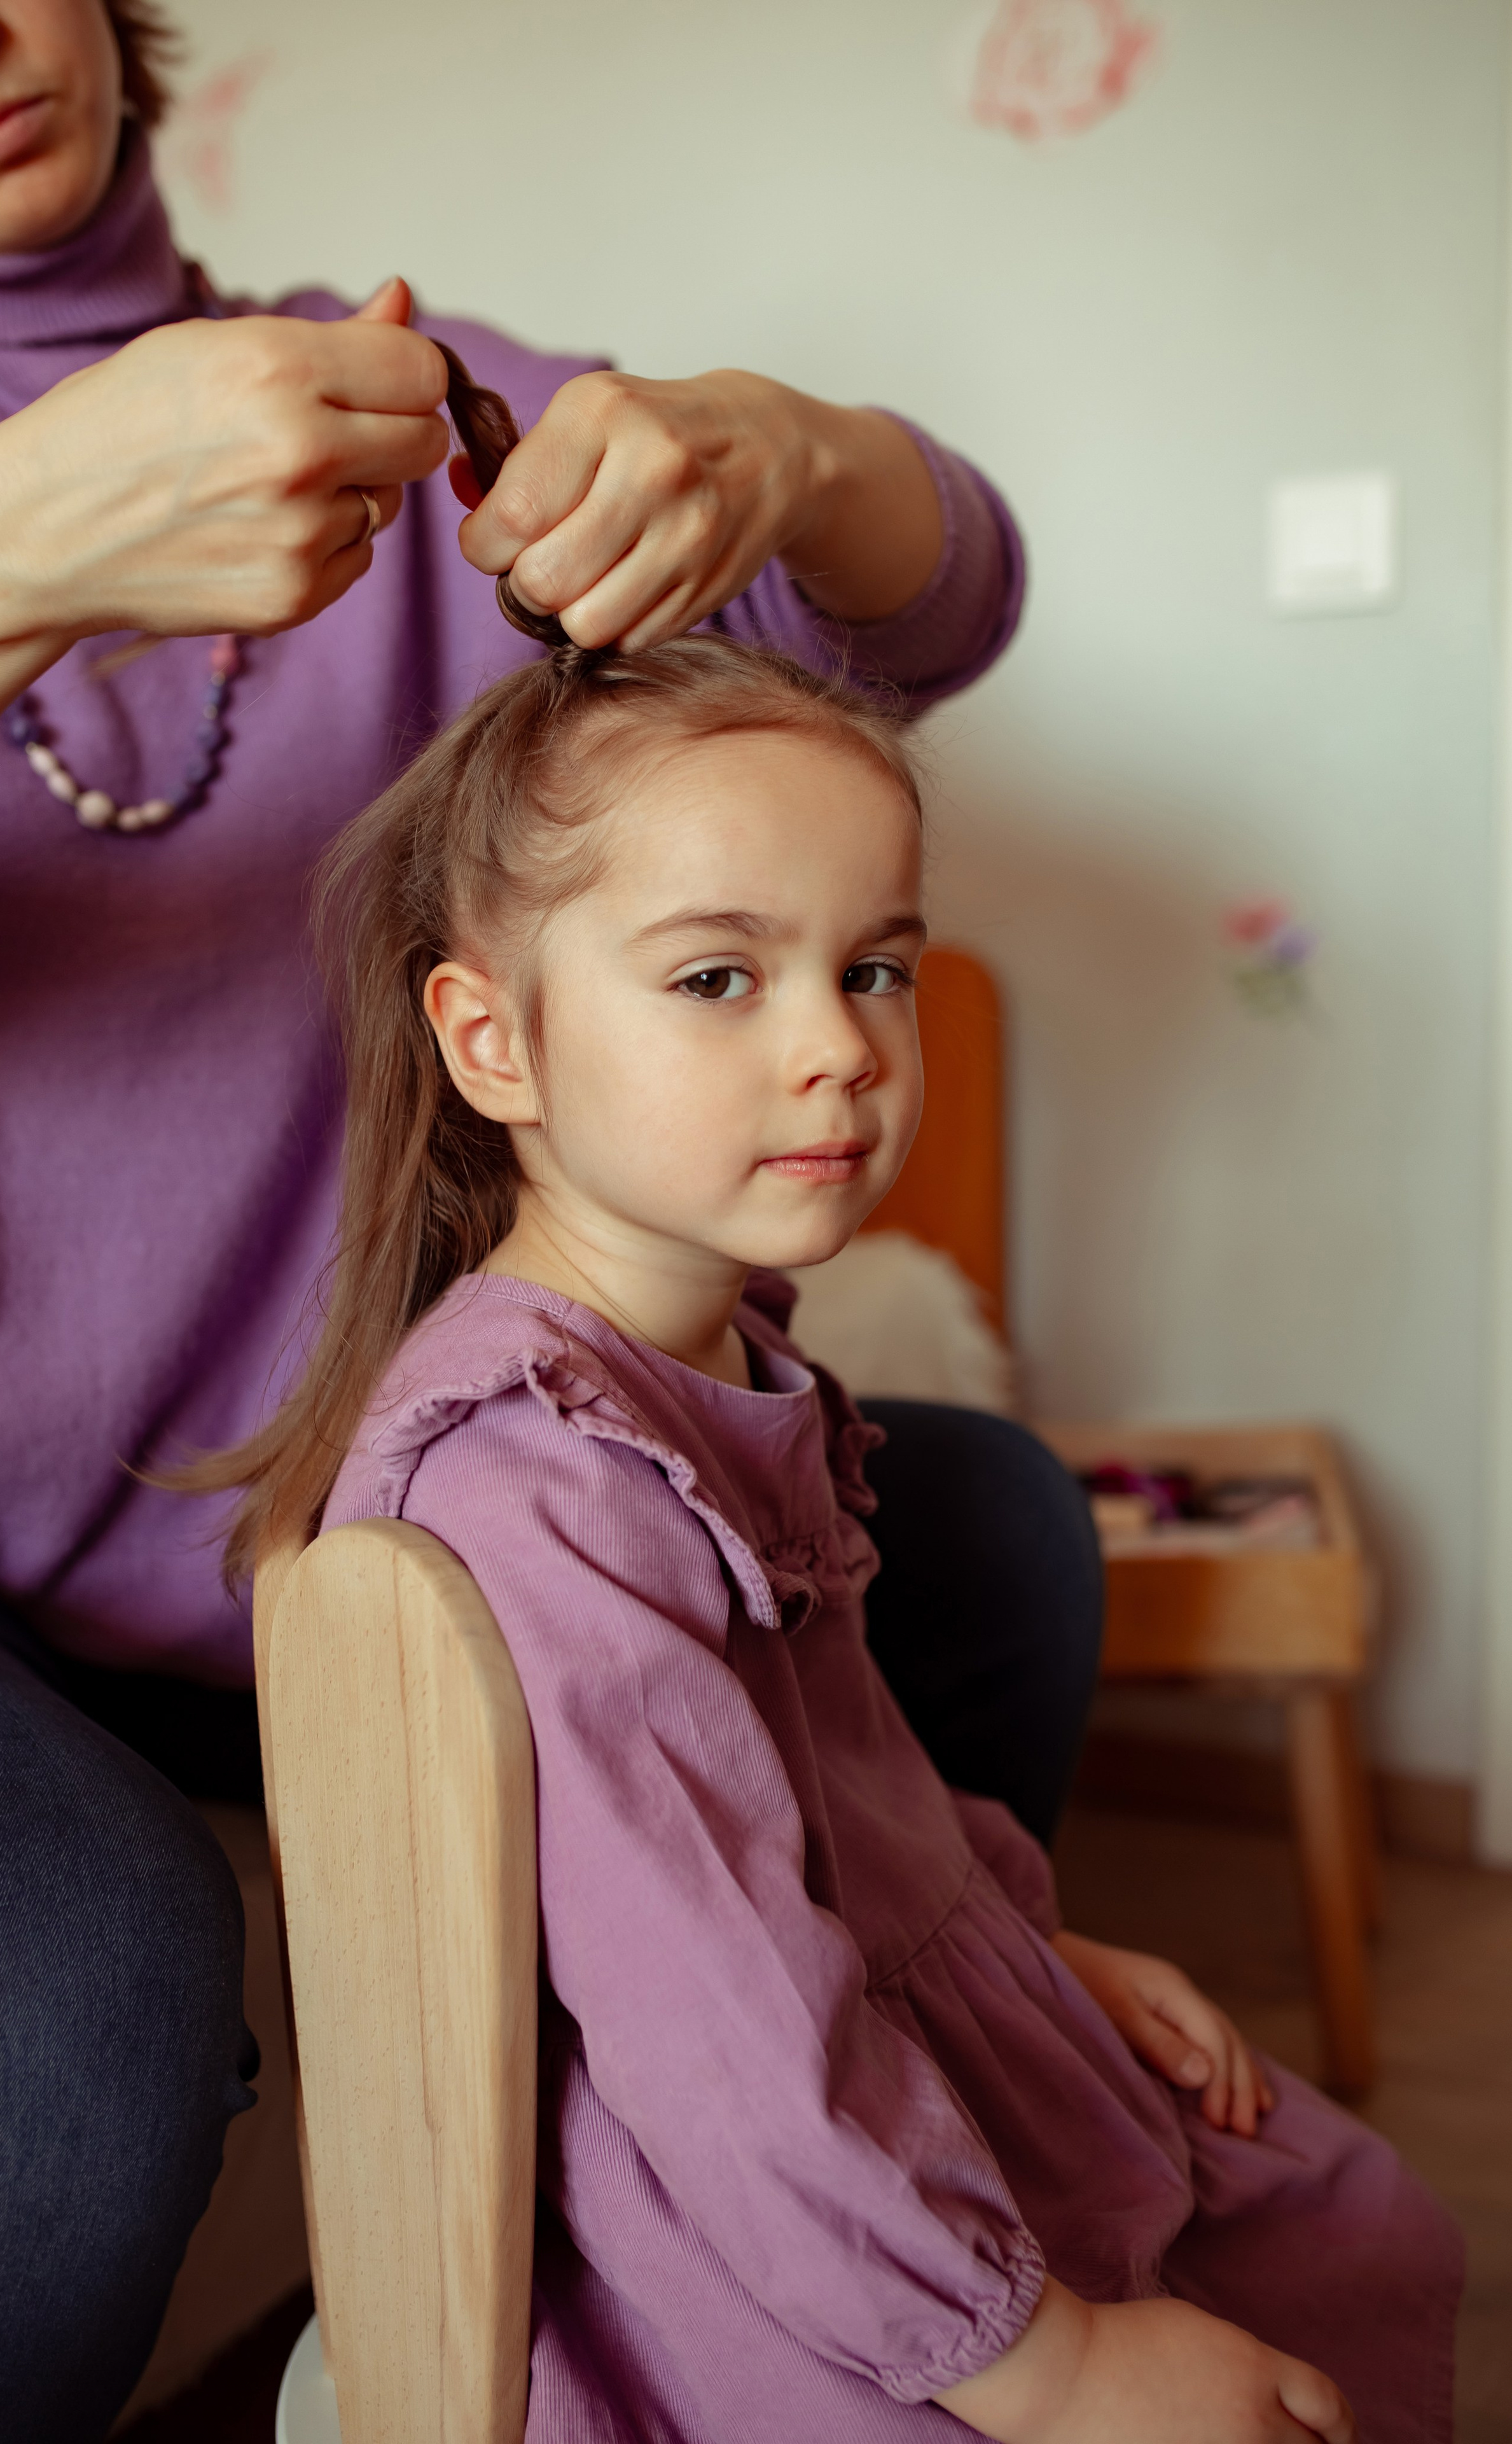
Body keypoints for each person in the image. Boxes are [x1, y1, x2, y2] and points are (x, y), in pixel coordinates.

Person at [0, 4, 1107, 2437]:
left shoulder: (415, 412)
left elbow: (945, 585)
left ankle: (838, 2286)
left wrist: (788, 449)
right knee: (64, 2010)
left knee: (974, 1528)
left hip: (406, 1502)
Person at [209, 615, 1461, 2444]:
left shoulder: (712, 1358)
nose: (841, 1050)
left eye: (876, 968)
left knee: (1348, 2229)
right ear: (493, 1041)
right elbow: (723, 2043)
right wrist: (1056, 2367)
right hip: (747, 2205)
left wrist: (1044, 1953)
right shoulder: (541, 1481)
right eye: (720, 979)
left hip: (864, 2039)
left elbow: (840, 1774)